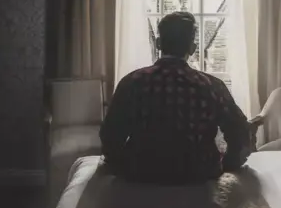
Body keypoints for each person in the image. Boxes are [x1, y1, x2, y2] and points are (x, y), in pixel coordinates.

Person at [99, 11, 252, 184]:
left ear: (158, 44)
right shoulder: (212, 85)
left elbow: (110, 136)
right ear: (192, 49)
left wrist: (120, 165)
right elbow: (240, 133)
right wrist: (227, 164)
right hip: (198, 175)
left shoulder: (132, 82)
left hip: (142, 173)